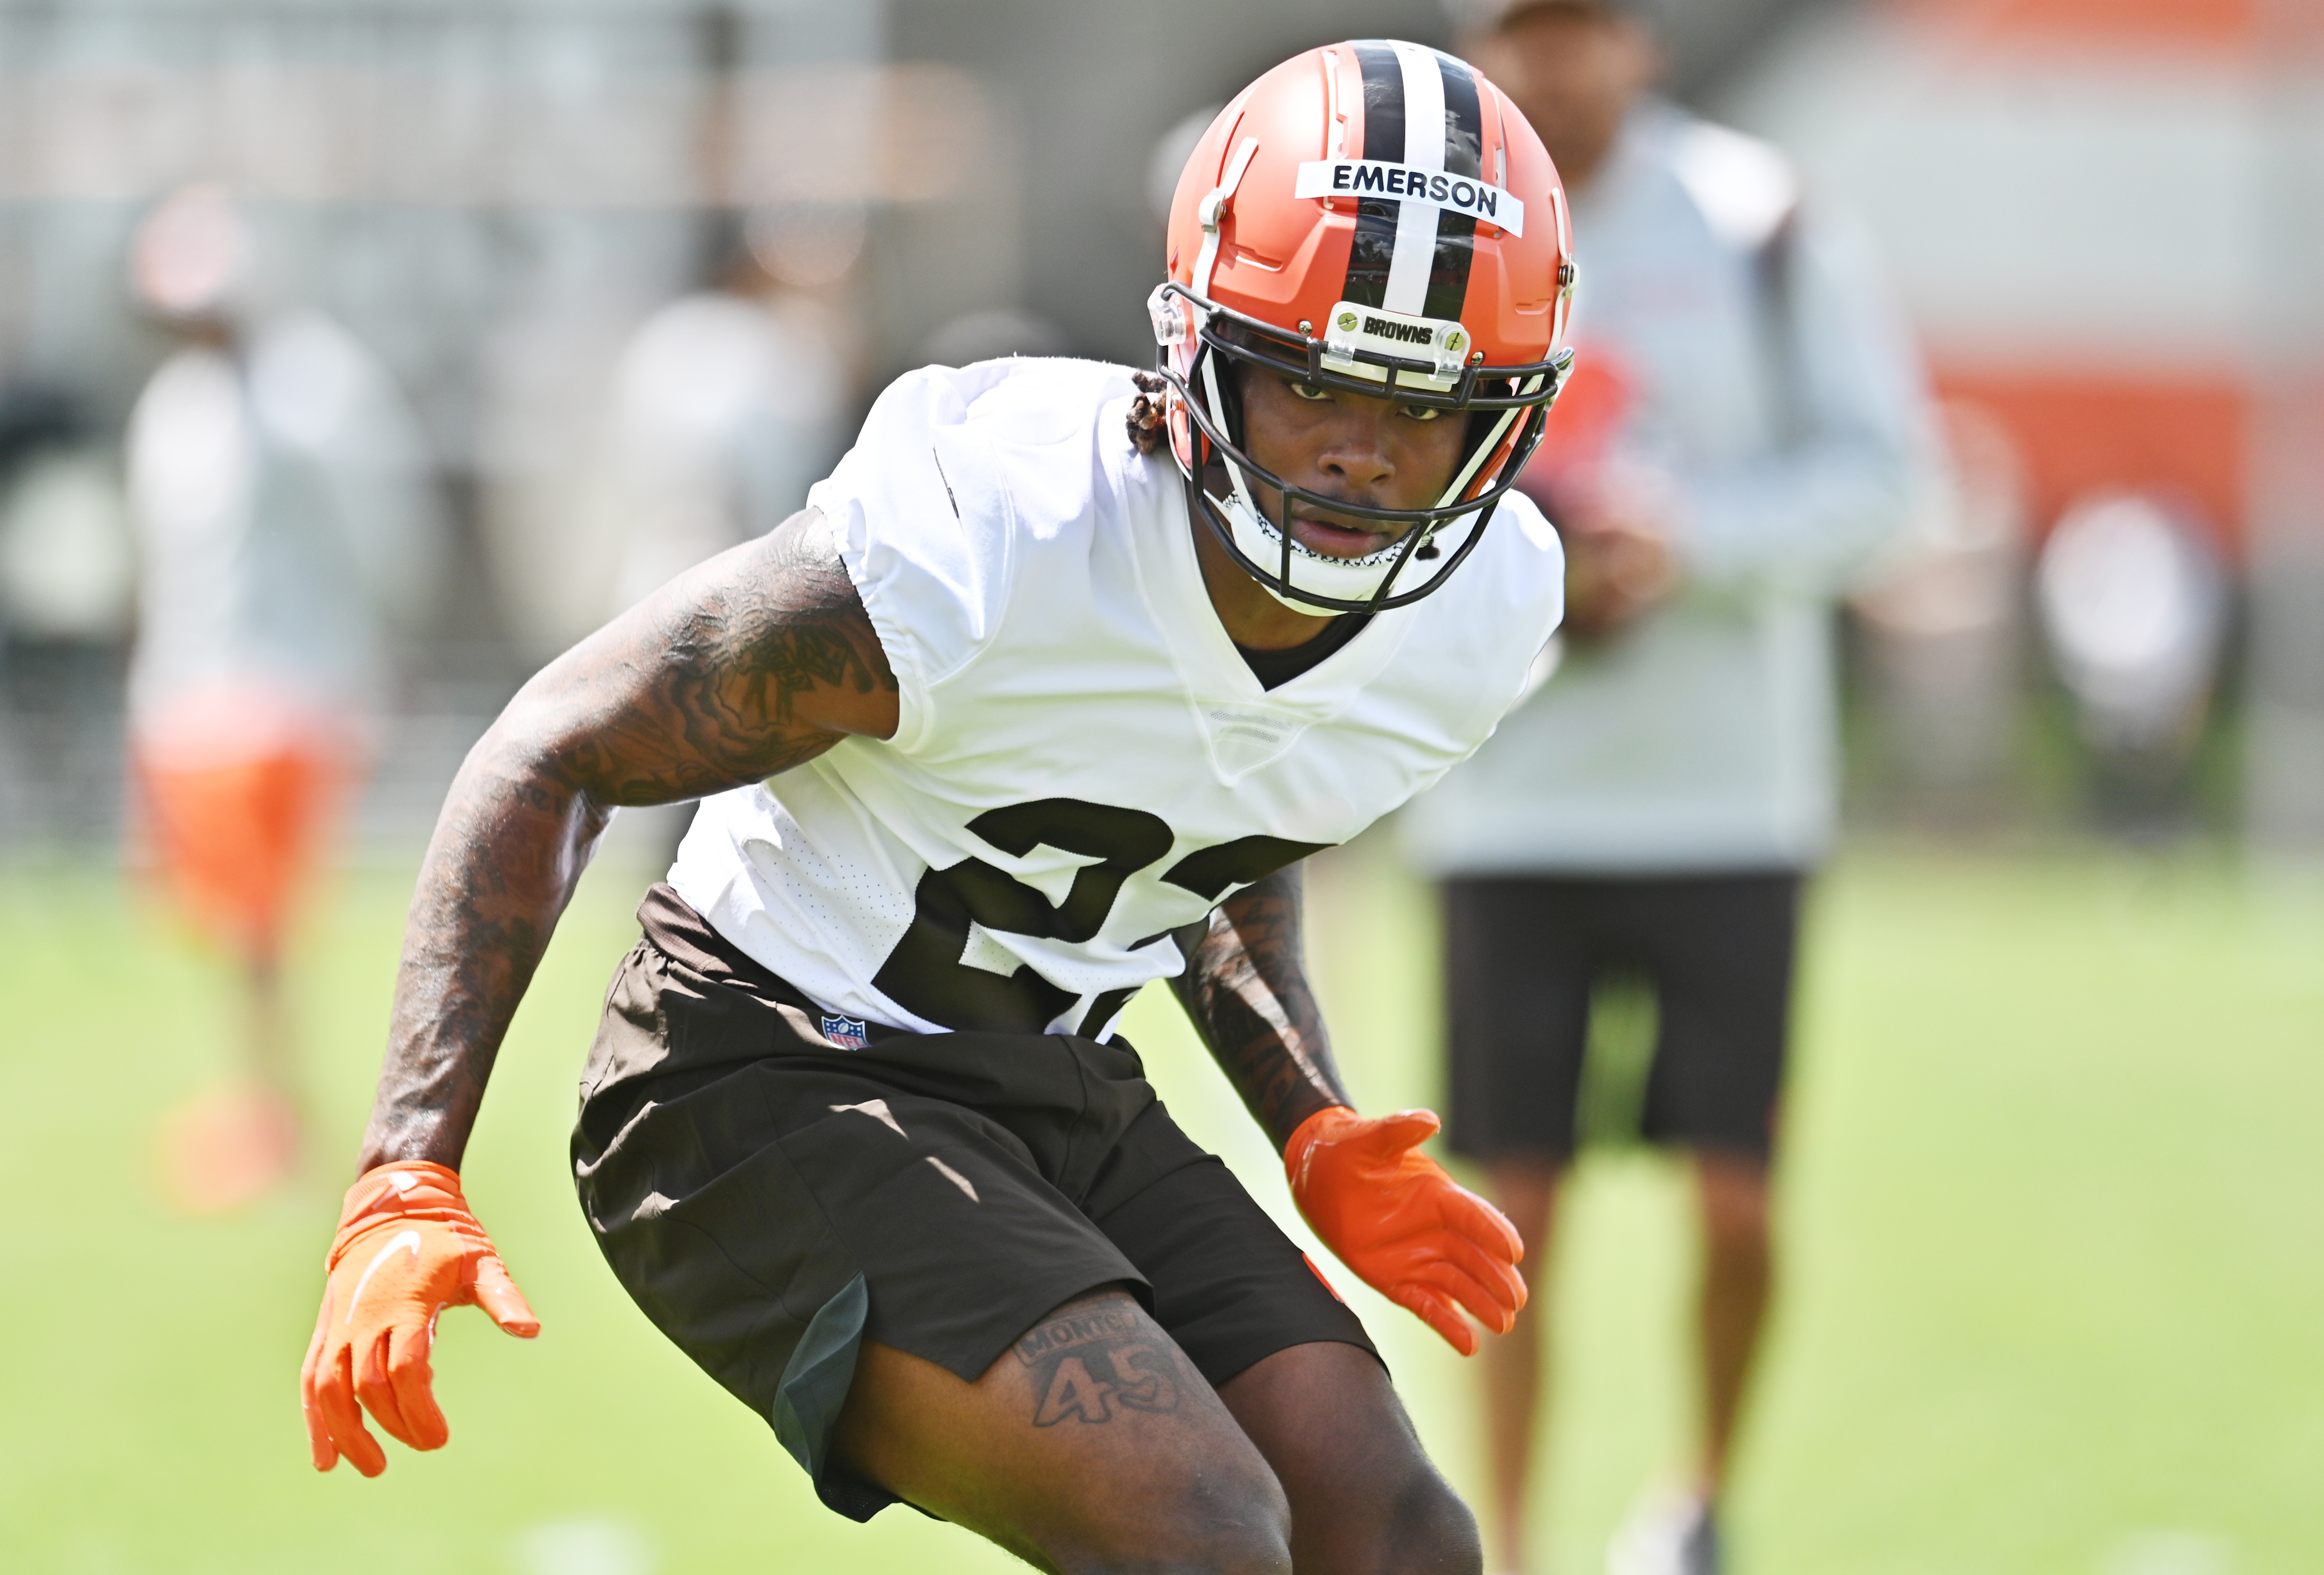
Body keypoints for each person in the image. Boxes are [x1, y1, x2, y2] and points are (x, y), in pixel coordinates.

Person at [298, 39, 1576, 1572]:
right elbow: (550, 748)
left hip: (1062, 1081)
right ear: (1199, 344)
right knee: (1202, 1533)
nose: (1360, 449)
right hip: (759, 1069)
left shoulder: (1484, 608)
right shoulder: (998, 538)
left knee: (1399, 1540)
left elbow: (1226, 819)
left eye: (1423, 401)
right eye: (1308, 380)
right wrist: (405, 1168)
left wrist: (1307, 1120)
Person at [1402, 6, 1934, 1573]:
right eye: (1521, 31)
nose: (1554, 66)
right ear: (1475, 44)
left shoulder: (1759, 219)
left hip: (1728, 808)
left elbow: (1886, 481)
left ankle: (1697, 1500)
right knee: (1508, 1226)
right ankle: (1502, 1543)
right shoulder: (1427, 225)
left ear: (1642, 43)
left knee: (1736, 1208)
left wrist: (1687, 540)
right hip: (1508, 811)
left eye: (1584, 29)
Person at [125, 183, 443, 1213]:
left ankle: (279, 1113)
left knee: (265, 920)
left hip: (289, 695)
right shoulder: (175, 407)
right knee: (231, 926)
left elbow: (383, 531)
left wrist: (383, 649)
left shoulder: (314, 389)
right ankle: (266, 1101)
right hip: (191, 700)